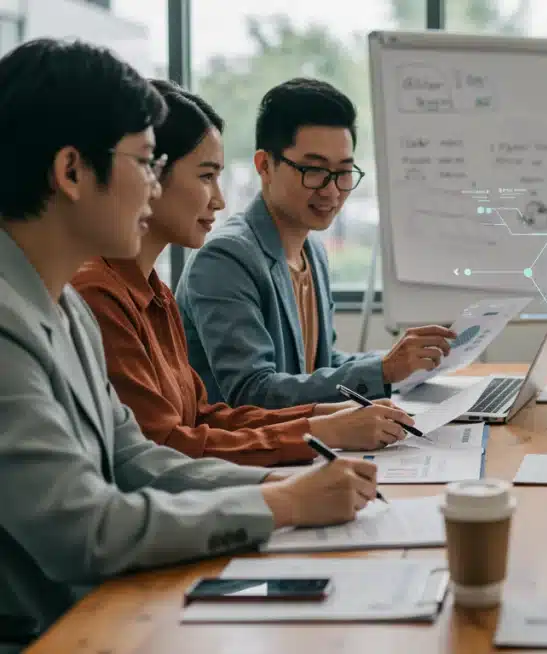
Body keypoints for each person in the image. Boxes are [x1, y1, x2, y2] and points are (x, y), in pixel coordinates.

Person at [0, 38, 380, 643]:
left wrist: (279, 486)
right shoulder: (15, 323)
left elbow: (136, 458)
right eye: (145, 165)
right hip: (64, 630)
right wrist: (283, 504)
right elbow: (85, 529)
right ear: (71, 172)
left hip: (117, 603)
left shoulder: (63, 306)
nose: (153, 190)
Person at [72, 80, 414, 466]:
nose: (220, 200)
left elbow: (201, 416)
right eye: (206, 177)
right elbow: (164, 446)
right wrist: (321, 431)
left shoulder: (156, 293)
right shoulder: (103, 292)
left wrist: (325, 417)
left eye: (344, 172)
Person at [175, 78, 456, 408]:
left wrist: (405, 361)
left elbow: (321, 366)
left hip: (305, 434)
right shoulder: (226, 258)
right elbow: (253, 392)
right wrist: (382, 369)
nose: (331, 190)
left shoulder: (313, 252)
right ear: (265, 166)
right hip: (245, 441)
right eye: (314, 170)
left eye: (344, 172)